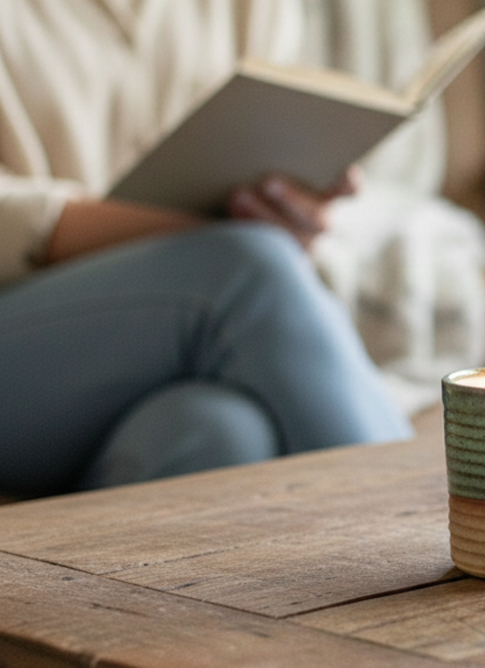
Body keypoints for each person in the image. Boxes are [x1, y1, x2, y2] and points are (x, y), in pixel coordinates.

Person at [0, 1, 417, 498]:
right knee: (249, 269)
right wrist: (206, 235)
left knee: (217, 431)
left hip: (153, 340)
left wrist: (290, 212)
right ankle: (423, 531)